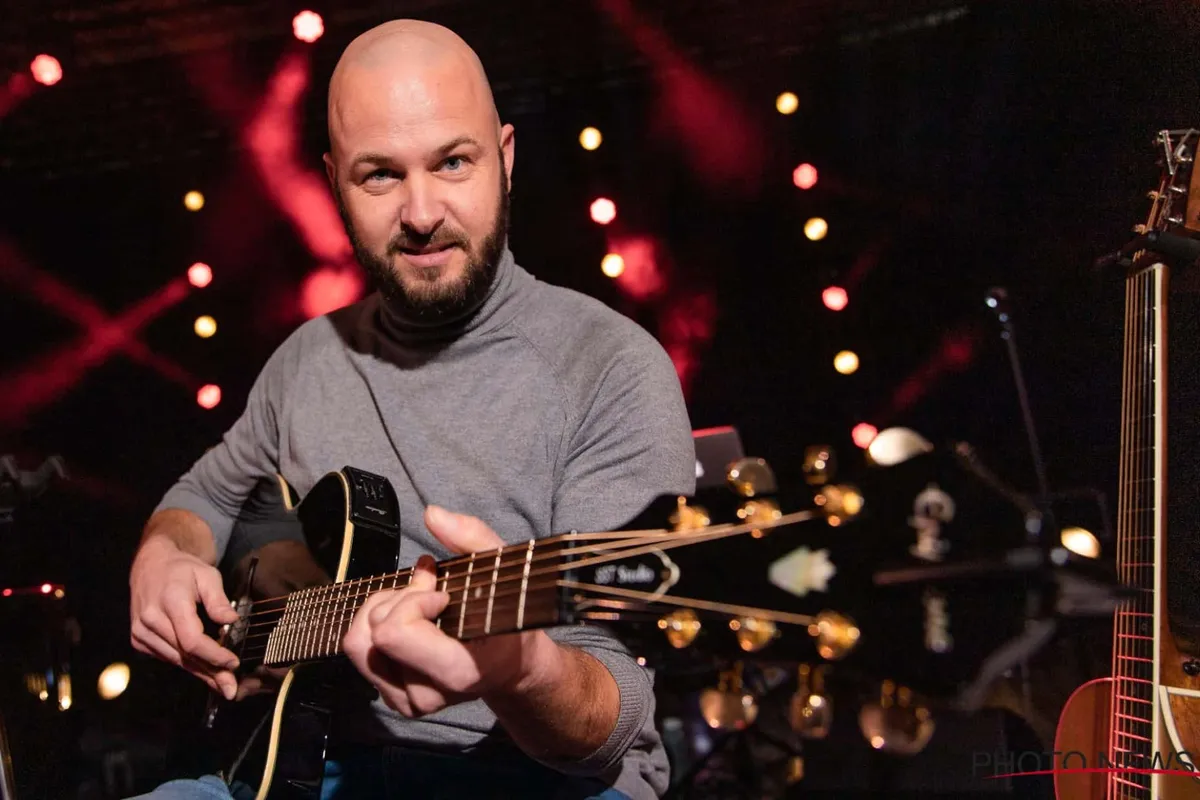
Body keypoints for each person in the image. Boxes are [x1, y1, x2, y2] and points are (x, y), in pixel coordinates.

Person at [126, 17, 695, 800]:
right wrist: (164, 553)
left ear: (505, 157)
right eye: (380, 176)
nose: (421, 213)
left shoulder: (610, 369)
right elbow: (202, 497)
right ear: (332, 184)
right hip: (300, 766)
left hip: (535, 780)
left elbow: (608, 715)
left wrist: (520, 667)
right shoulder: (305, 362)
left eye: (453, 162)